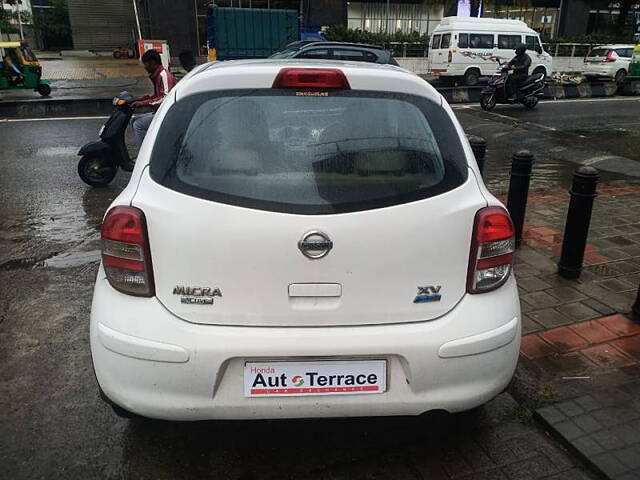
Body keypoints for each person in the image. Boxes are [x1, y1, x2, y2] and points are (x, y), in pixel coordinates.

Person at [131, 49, 176, 145]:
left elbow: (165, 98)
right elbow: (156, 96)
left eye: (145, 64)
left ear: (153, 62)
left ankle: (145, 154)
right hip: (159, 111)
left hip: (166, 114)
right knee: (134, 120)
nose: (145, 67)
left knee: (138, 125)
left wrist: (143, 103)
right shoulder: (157, 76)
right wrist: (139, 99)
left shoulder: (163, 75)